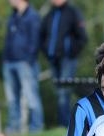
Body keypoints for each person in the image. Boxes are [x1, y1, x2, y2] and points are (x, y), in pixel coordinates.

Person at [40, 0, 88, 128]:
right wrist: (47, 51)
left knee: (64, 93)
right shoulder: (49, 15)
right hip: (53, 59)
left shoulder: (73, 12)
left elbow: (82, 37)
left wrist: (70, 52)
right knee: (58, 93)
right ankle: (63, 124)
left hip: (68, 59)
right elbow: (42, 36)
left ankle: (65, 124)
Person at [3, 0, 44, 134]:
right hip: (9, 62)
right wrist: (5, 59)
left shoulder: (32, 16)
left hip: (25, 63)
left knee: (31, 96)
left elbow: (36, 40)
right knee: (12, 98)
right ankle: (14, 128)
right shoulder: (13, 16)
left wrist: (28, 59)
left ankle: (36, 128)